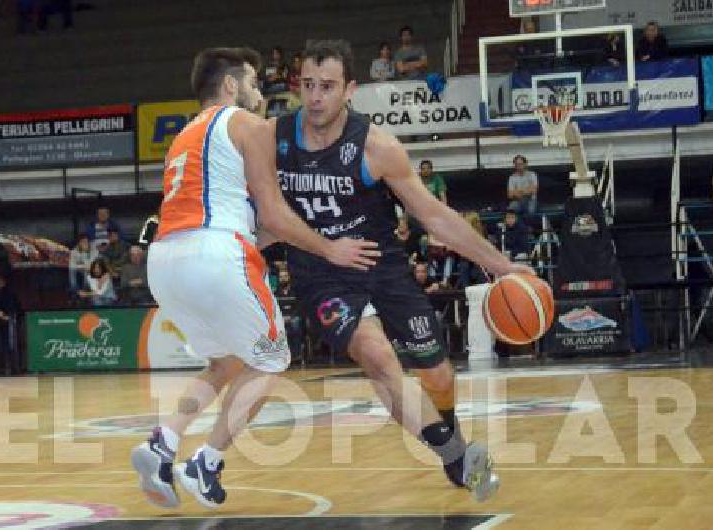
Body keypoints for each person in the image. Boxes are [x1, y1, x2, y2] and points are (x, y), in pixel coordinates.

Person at [271, 40, 532, 499]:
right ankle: (455, 453)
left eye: (327, 87)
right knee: (377, 356)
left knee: (439, 376)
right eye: (308, 85)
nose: (315, 97)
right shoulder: (273, 140)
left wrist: (503, 266)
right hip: (319, 270)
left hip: (380, 263)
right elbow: (261, 214)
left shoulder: (375, 146)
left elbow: (433, 217)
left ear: (349, 89)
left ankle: (445, 434)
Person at [130, 46, 379, 510]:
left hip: (165, 259)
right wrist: (330, 248)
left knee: (225, 362)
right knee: (271, 361)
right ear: (230, 87)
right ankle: (206, 462)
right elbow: (275, 217)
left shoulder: (184, 137)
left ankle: (163, 442)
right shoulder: (249, 125)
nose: (260, 92)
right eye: (254, 82)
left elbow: (246, 222)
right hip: (217, 254)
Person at [68, 234, 98, 298]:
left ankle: (85, 291)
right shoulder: (74, 251)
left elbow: (94, 263)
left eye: (86, 242)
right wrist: (82, 266)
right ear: (79, 243)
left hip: (93, 270)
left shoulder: (94, 250)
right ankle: (75, 291)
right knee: (71, 270)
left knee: (87, 271)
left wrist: (85, 253)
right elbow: (71, 265)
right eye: (83, 242)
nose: (85, 243)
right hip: (80, 270)